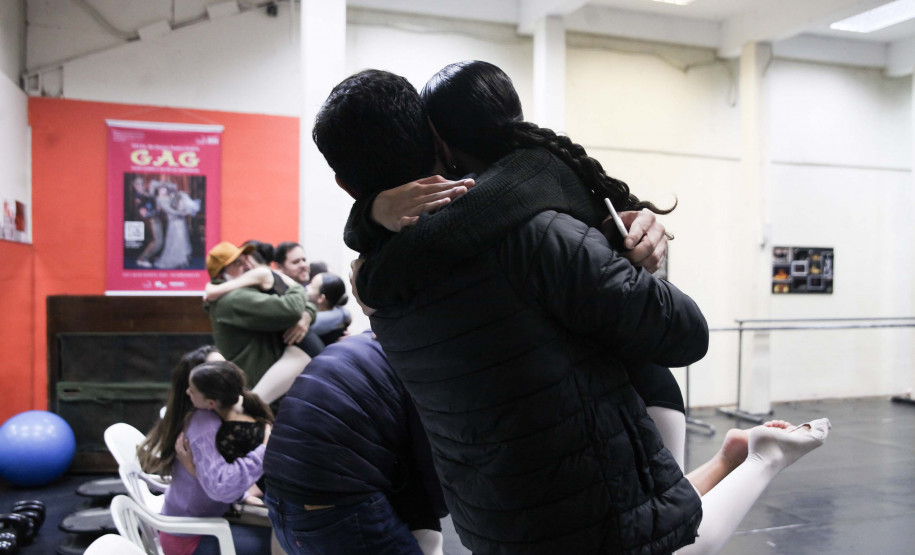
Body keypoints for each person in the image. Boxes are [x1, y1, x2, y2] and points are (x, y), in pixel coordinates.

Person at [313, 69, 831, 554]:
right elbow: (686, 334)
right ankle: (761, 456)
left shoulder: (374, 279)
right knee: (678, 535)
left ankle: (755, 455)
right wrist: (628, 259)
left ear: (343, 186)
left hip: (494, 517)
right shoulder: (528, 233)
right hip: (592, 499)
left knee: (675, 528)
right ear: (435, 140)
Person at [349, 61, 686, 468]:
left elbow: (417, 255)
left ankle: (754, 457)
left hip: (642, 390)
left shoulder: (512, 187)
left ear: (437, 136)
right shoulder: (538, 166)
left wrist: (368, 221)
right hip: (623, 387)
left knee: (685, 527)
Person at [263, 300, 447, 554]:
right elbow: (428, 462)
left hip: (279, 495)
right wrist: (435, 514)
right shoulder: (414, 366)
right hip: (334, 504)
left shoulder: (356, 346)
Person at [137, 346, 271, 555]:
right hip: (189, 537)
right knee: (285, 539)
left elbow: (215, 480)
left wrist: (241, 494)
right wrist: (264, 450)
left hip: (205, 518)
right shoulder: (204, 424)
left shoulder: (217, 416)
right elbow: (220, 485)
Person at [204, 240, 322, 404]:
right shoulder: (233, 299)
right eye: (237, 263)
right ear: (220, 273)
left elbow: (301, 308)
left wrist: (307, 314)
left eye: (245, 260)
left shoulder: (238, 292)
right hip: (264, 388)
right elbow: (292, 309)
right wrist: (288, 282)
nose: (246, 266)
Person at [155, 182, 200, 269]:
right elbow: (170, 211)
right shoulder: (160, 199)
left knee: (182, 239)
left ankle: (182, 260)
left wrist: (182, 204)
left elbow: (176, 202)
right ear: (158, 189)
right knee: (176, 241)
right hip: (174, 221)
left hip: (180, 220)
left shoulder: (170, 195)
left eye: (165, 188)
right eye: (161, 189)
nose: (163, 190)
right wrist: (183, 213)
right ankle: (177, 260)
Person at [305, 272, 352, 345]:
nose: (307, 287)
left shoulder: (316, 322)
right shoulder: (342, 315)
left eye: (312, 287)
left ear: (321, 298)